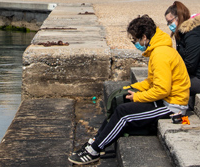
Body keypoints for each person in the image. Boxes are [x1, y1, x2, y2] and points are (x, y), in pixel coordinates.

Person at [68, 15, 189, 165]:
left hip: (171, 107)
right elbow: (151, 82)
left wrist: (137, 97)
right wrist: (131, 88)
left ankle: (94, 150)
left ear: (144, 37)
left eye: (135, 40)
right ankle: (97, 139)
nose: (136, 44)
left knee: (123, 114)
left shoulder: (160, 55)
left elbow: (162, 90)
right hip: (164, 100)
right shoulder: (158, 50)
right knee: (120, 105)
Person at [165, 1, 200, 110]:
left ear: (178, 18)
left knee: (166, 85)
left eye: (170, 22)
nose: (169, 25)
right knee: (163, 81)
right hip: (194, 76)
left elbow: (190, 64)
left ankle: (174, 110)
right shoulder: (182, 33)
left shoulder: (194, 35)